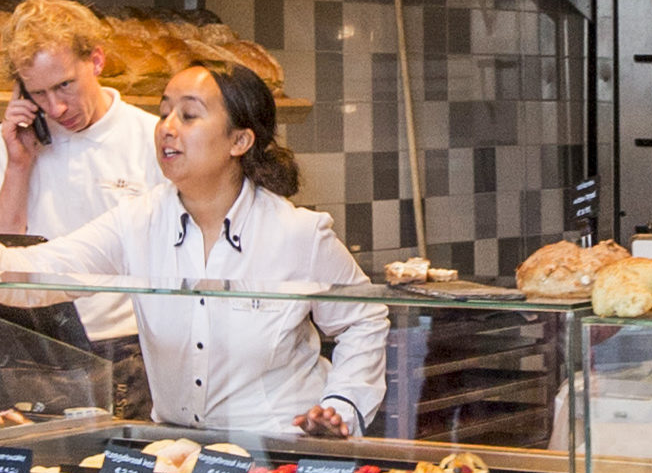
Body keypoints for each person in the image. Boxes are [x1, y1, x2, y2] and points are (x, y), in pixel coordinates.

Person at [23, 61, 387, 434]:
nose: (166, 128)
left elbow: (364, 319)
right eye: (164, 113)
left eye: (189, 115)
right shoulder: (137, 221)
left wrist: (343, 405)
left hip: (279, 447)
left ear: (239, 141)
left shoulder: (297, 233)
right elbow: (48, 267)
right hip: (180, 450)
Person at [0, 0, 162, 347]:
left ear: (97, 61)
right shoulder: (15, 141)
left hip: (125, 339)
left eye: (65, 85)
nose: (56, 108)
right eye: (38, 94)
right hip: (35, 336)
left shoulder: (152, 137)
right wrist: (19, 165)